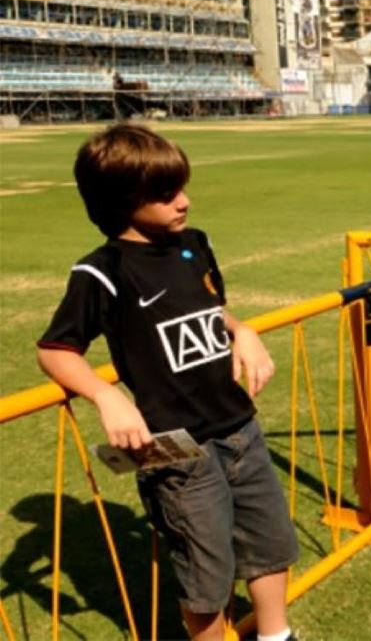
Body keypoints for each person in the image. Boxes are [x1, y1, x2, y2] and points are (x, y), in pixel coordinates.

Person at [35, 124, 297, 641]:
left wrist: (241, 330)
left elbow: (210, 307)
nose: (185, 201)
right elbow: (55, 350)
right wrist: (106, 395)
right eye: (166, 194)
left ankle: (276, 635)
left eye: (182, 186)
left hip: (240, 427)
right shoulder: (101, 272)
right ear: (122, 201)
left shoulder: (195, 244)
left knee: (270, 544)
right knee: (206, 574)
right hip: (175, 451)